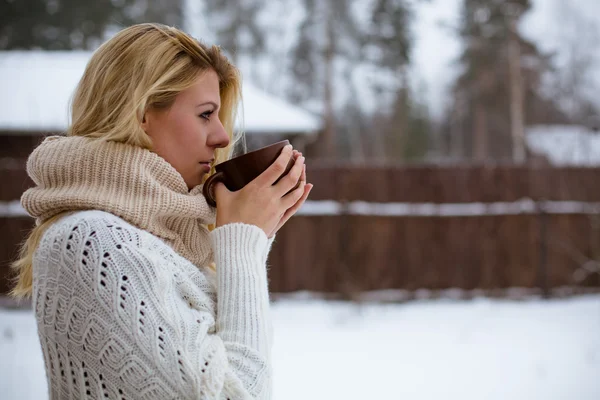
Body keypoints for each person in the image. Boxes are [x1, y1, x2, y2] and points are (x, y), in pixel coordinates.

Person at [10, 23, 312, 399]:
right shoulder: (91, 242)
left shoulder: (174, 243)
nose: (221, 137)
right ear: (140, 114)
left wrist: (249, 238)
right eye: (205, 114)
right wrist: (242, 242)